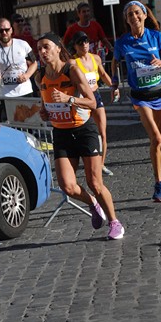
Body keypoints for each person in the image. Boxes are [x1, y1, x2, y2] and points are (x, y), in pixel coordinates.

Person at [36, 31, 124, 240]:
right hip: (61, 133)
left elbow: (92, 102)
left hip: (84, 131)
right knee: (67, 186)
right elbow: (46, 102)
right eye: (39, 49)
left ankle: (114, 221)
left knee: (95, 182)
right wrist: (44, 111)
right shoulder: (41, 75)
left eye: (46, 47)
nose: (42, 52)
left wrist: (69, 99)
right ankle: (93, 203)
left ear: (58, 48)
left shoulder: (72, 70)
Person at [112, 1, 161, 203]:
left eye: (137, 13)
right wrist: (114, 82)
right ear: (126, 19)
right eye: (130, 14)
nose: (134, 17)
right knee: (156, 138)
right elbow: (115, 62)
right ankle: (157, 182)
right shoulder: (122, 42)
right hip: (140, 98)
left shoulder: (156, 37)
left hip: (159, 93)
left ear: (144, 15)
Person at [0, 17, 37, 121]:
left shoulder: (23, 44)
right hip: (6, 95)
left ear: (11, 30)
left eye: (7, 30)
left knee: (29, 123)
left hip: (25, 91)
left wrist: (27, 75)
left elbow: (34, 63)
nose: (4, 32)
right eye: (1, 30)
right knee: (13, 125)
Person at [70, 30, 114, 176]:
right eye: (80, 42)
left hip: (95, 95)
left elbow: (102, 74)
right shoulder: (72, 62)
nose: (84, 44)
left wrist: (114, 87)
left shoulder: (95, 58)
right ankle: (85, 160)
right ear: (75, 46)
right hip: (82, 98)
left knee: (103, 131)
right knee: (82, 131)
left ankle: (101, 164)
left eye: (86, 41)